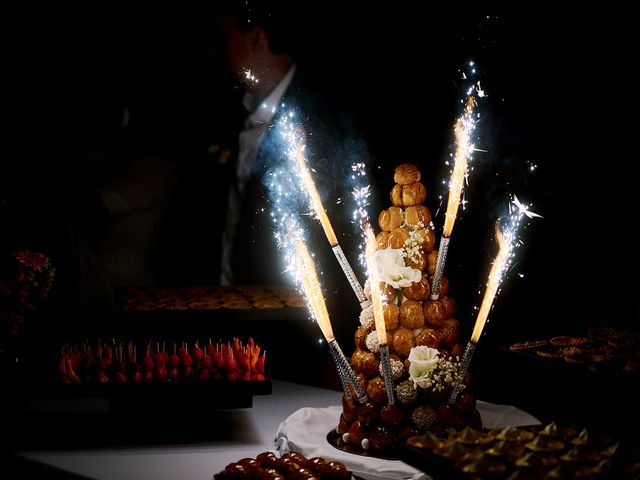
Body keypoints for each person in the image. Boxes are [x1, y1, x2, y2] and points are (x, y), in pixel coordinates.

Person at [212, 0, 371, 346]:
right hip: (235, 328)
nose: (217, 48)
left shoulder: (319, 121)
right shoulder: (234, 115)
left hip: (293, 337)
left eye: (225, 36)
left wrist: (343, 341)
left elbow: (340, 236)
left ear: (256, 39)